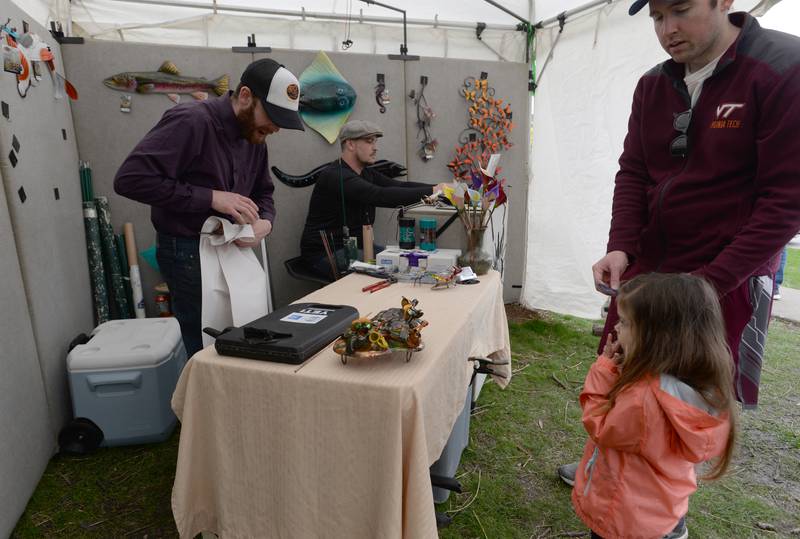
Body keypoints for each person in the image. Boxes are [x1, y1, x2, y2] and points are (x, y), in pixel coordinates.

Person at [561, 0, 800, 516]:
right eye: (656, 17)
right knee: (621, 374)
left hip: (722, 276)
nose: (666, 30)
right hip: (650, 266)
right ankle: (608, 462)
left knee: (680, 401)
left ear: (725, 2)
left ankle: (655, 507)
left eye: (681, 10)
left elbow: (786, 201)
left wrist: (708, 284)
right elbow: (634, 172)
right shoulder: (654, 84)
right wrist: (622, 243)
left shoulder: (783, 68)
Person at [114, 58, 304, 358]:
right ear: (244, 96)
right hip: (188, 251)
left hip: (233, 249)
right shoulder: (191, 120)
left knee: (245, 338)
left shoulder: (256, 137)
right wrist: (212, 198)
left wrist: (265, 223)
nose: (276, 128)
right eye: (271, 116)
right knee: (205, 348)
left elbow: (264, 193)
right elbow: (131, 180)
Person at [573, 273, 736, 539]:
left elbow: (601, 425)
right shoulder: (699, 387)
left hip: (625, 520)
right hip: (663, 512)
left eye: (625, 322)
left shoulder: (643, 400)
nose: (614, 328)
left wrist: (603, 369)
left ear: (657, 337)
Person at [299, 120, 448, 278]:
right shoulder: (336, 176)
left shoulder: (365, 173)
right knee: (393, 272)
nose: (375, 147)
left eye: (375, 142)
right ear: (350, 144)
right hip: (325, 253)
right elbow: (379, 195)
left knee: (404, 263)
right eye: (369, 141)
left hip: (359, 247)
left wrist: (440, 188)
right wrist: (432, 191)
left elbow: (398, 186)